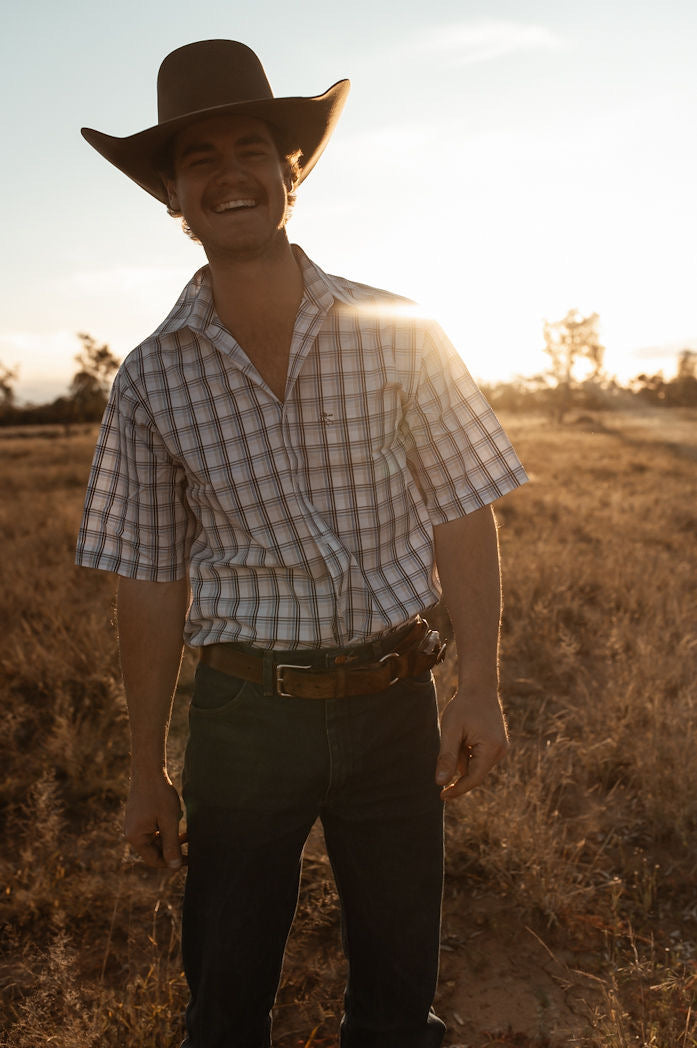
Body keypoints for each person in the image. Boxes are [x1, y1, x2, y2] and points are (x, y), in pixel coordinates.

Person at [76, 39, 527, 1048]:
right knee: (226, 997)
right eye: (199, 160)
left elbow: (462, 507)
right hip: (243, 719)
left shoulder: (398, 330)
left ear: (291, 176)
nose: (228, 174)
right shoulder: (151, 379)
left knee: (396, 996)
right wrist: (146, 766)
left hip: (392, 702)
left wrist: (479, 683)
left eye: (251, 149)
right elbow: (149, 578)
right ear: (175, 200)